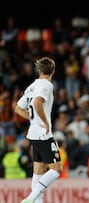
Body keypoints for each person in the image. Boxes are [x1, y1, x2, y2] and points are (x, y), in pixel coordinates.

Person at [14, 56, 63, 203]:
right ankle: (30, 199)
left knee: (39, 171)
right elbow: (37, 102)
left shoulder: (31, 87)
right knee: (56, 169)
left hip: (33, 134)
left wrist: (32, 119)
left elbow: (17, 108)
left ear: (39, 70)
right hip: (43, 134)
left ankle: (36, 202)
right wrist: (44, 121)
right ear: (53, 71)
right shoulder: (47, 85)